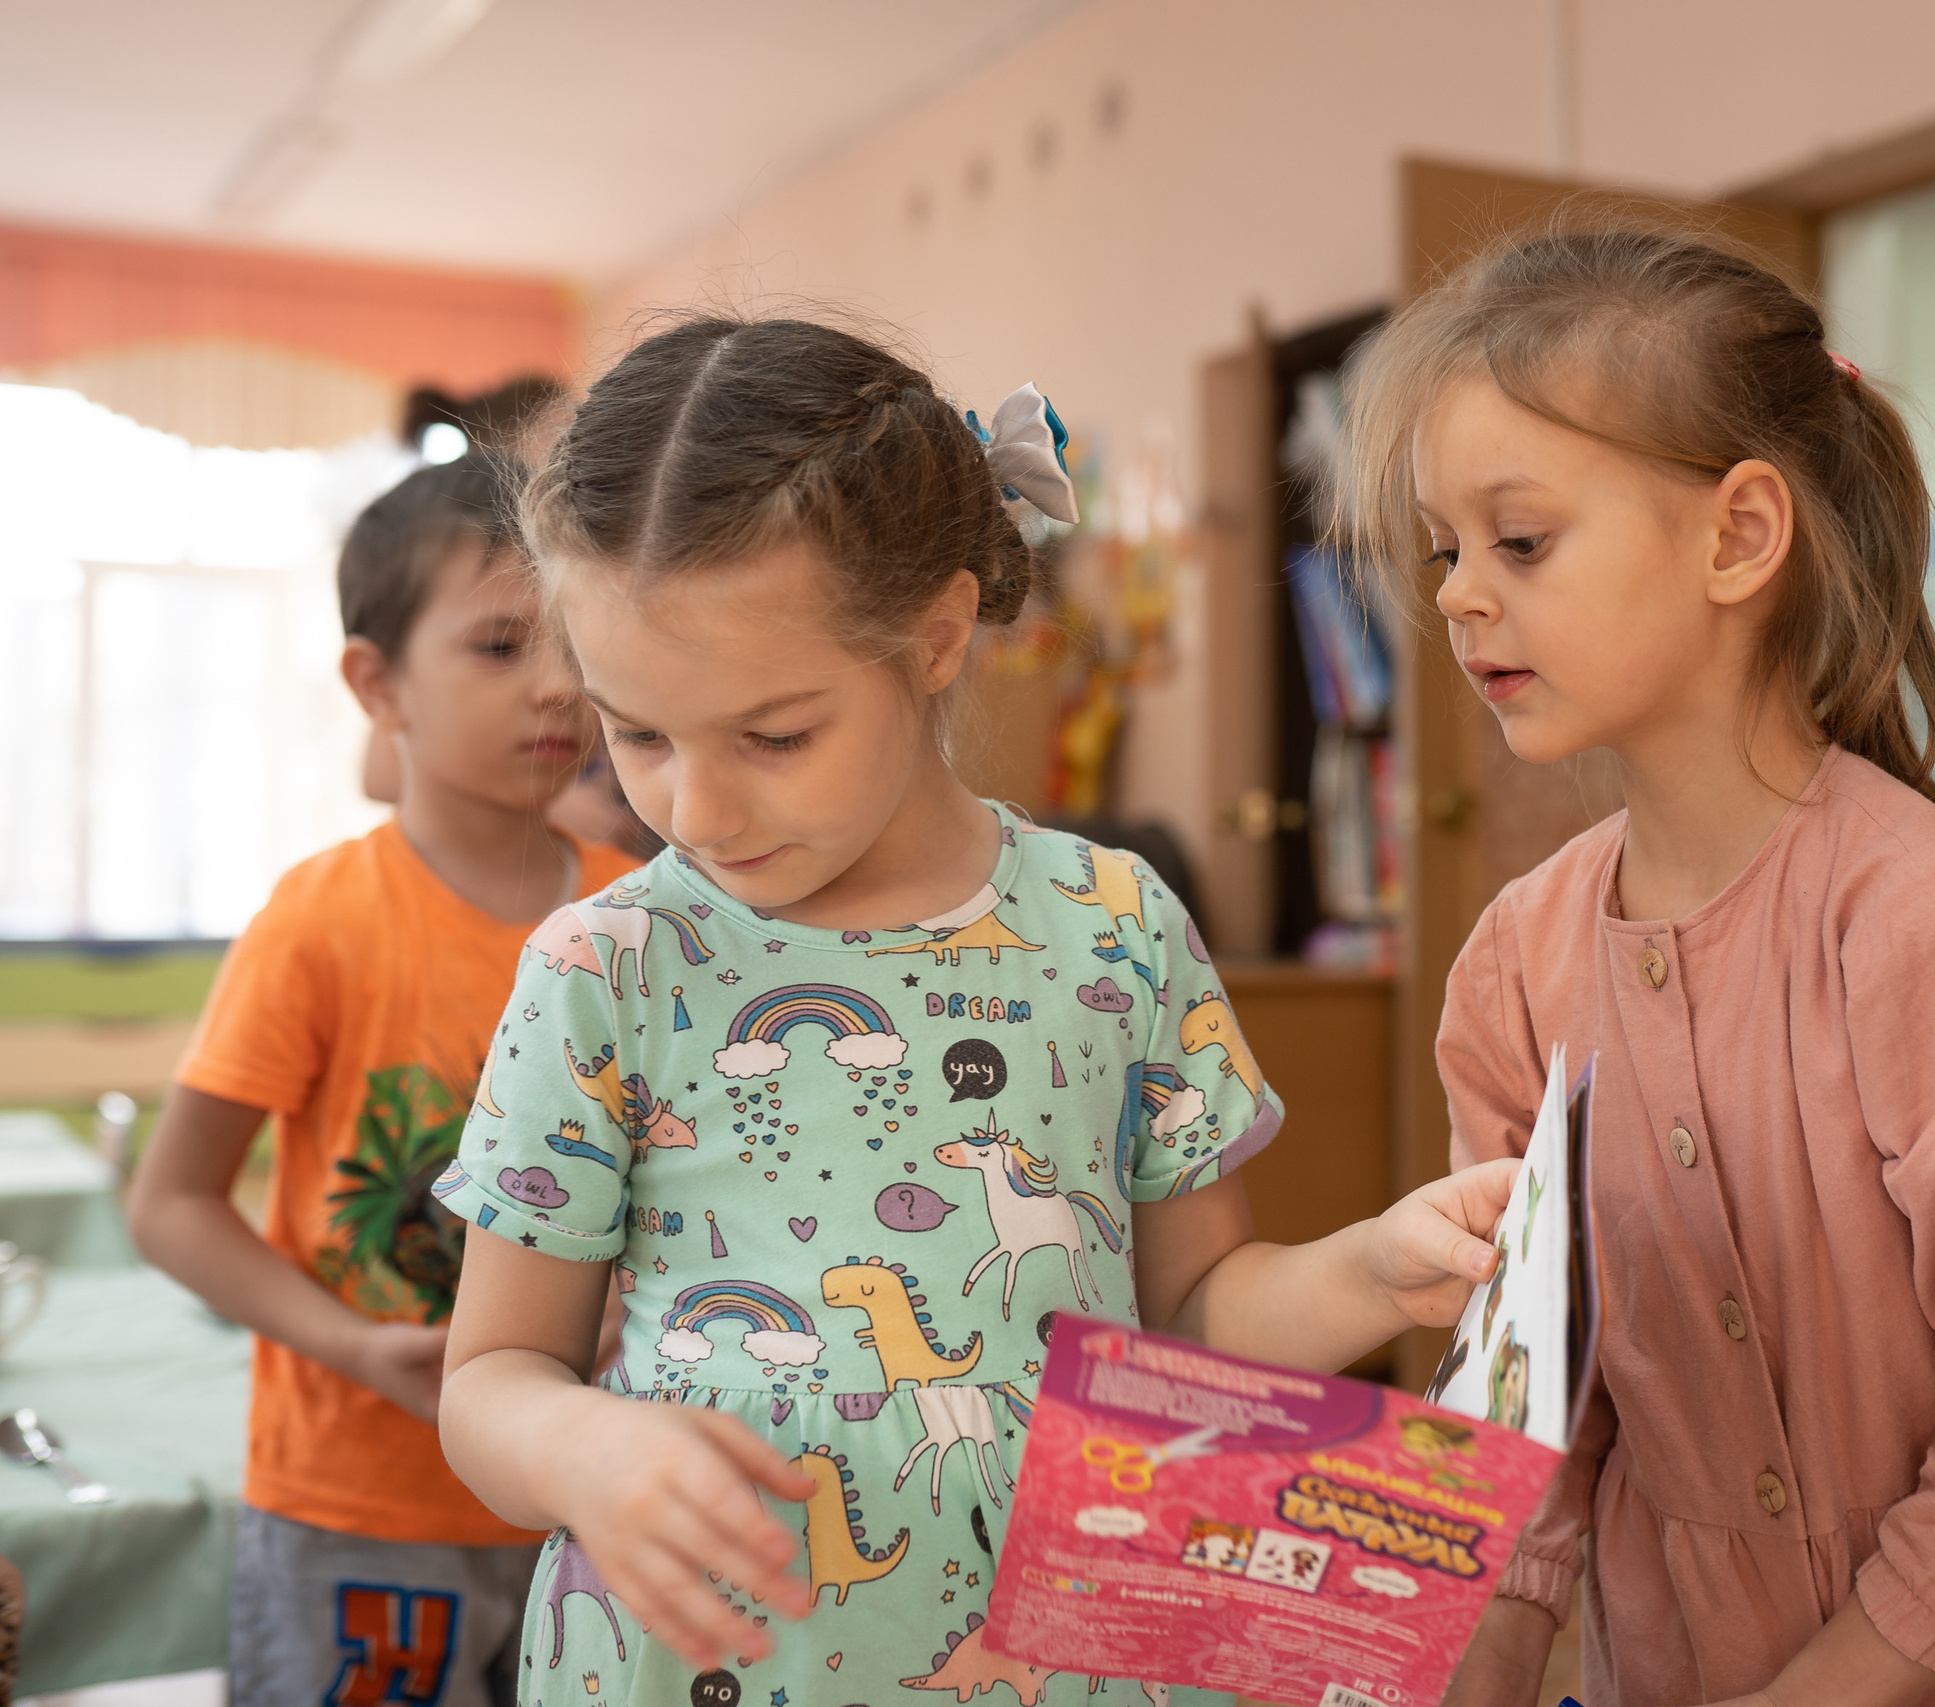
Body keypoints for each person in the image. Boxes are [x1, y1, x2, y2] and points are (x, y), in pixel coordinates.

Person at [430, 317, 1519, 1703]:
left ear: (938, 635)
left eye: (773, 734)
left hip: (1063, 1657)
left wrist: (1374, 1268)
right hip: (691, 1663)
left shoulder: (1115, 928)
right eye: (636, 732)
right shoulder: (604, 966)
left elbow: (1182, 1320)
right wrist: (579, 1445)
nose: (694, 807)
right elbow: (492, 1375)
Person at [1331, 223, 1935, 1706]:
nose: (1452, 594)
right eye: (1444, 548)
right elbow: (1525, 1410)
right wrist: (1473, 1665)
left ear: (1739, 536)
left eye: (1520, 538)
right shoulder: (1514, 961)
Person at [127, 452, 635, 1707]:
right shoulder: (321, 920)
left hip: (585, 1496)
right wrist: (350, 1347)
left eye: (574, 636)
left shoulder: (645, 917)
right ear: (376, 682)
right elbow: (172, 1205)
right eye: (501, 645)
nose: (560, 684)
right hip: (352, 1507)